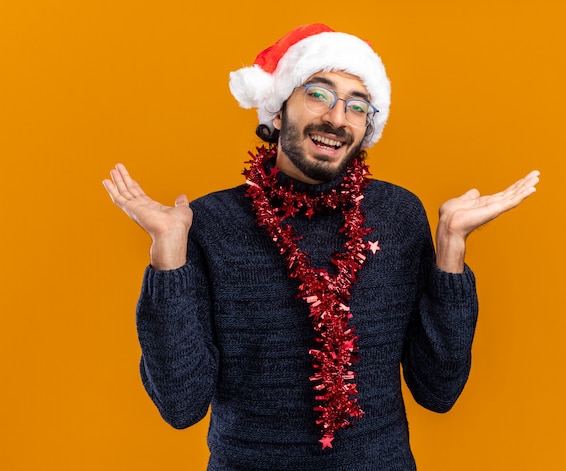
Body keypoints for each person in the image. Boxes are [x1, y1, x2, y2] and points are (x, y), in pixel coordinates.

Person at [103, 23, 539, 471]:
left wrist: (450, 250)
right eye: (319, 94)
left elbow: (438, 391)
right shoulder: (210, 224)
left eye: (357, 105)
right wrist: (168, 258)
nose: (337, 118)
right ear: (277, 111)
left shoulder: (399, 216)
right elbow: (180, 406)